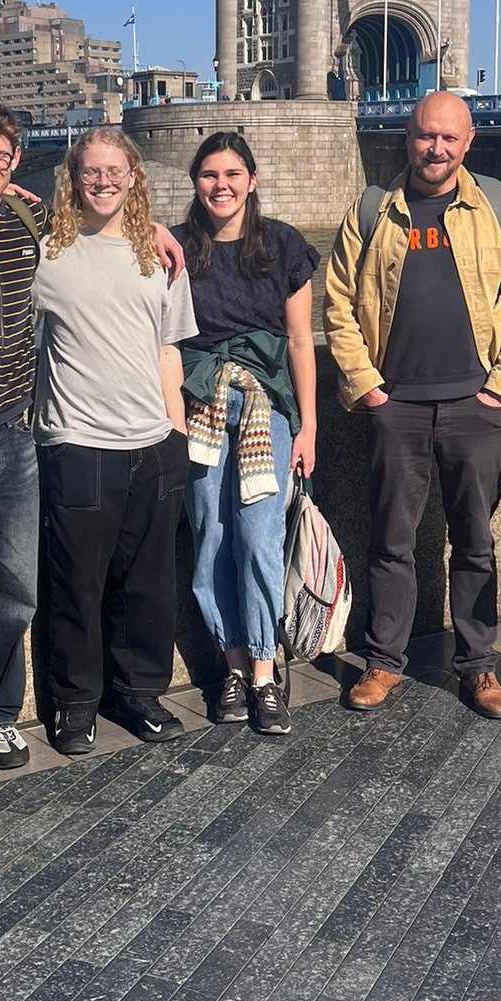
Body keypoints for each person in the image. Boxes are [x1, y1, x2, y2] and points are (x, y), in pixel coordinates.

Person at [0, 98, 188, 784]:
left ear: (17, 159)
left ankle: (2, 714)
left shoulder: (36, 228)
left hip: (19, 434)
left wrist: (155, 226)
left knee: (17, 589)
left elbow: (158, 326)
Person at [323, 90, 501, 720]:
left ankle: (479, 667)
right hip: (396, 405)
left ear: (468, 142)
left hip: (476, 406)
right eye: (426, 135)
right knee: (391, 541)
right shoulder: (372, 209)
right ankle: (384, 662)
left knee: (475, 542)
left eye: (450, 137)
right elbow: (338, 303)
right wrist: (368, 386)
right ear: (407, 137)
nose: (436, 148)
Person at [33, 130, 196, 755]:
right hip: (77, 442)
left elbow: (167, 348)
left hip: (153, 441)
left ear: (134, 177)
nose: (103, 182)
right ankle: (75, 705)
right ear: (72, 178)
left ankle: (140, 693)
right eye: (90, 171)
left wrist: (176, 434)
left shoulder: (159, 255)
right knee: (76, 584)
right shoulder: (45, 252)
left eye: (115, 171)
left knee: (149, 584)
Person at [177, 132, 318, 736]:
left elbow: (301, 341)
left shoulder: (283, 245)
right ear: (196, 182)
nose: (222, 185)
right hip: (201, 403)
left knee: (259, 537)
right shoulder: (177, 247)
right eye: (210, 175)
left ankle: (265, 670)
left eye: (233, 174)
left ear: (252, 181)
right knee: (210, 534)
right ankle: (232, 665)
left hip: (268, 406)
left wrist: (309, 427)